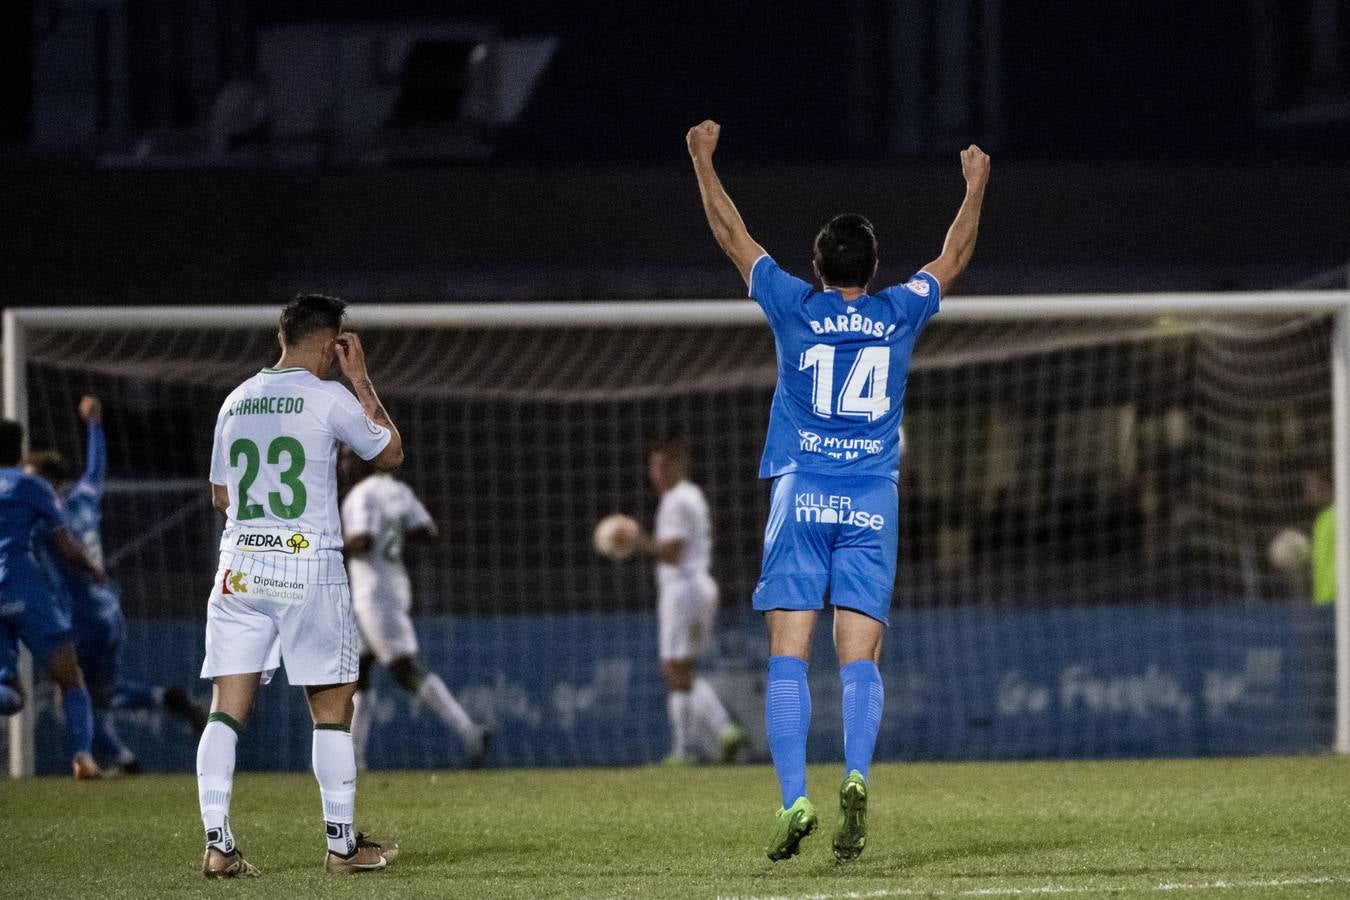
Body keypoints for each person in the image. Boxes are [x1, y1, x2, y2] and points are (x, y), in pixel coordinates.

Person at [686, 119, 989, 861]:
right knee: (861, 659)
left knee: (788, 653)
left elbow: (732, 235)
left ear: (816, 264)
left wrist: (700, 159)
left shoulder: (793, 304)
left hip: (802, 494)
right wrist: (976, 184)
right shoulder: (898, 312)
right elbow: (953, 256)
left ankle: (795, 799)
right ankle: (855, 775)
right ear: (876, 266)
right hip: (871, 501)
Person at [196, 294, 404, 878]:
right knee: (334, 709)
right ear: (330, 343)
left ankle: (219, 845)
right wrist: (361, 381)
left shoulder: (235, 400)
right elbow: (390, 451)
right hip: (306, 562)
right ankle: (343, 847)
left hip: (239, 565)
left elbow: (220, 496)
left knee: (226, 713)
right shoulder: (329, 395)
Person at [25, 395, 207, 774]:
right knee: (99, 695)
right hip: (110, 610)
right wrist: (95, 425)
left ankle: (125, 757)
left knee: (73, 695)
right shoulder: (86, 501)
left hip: (80, 616)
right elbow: (97, 469)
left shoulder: (44, 521)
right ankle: (157, 708)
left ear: (44, 484)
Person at [340, 449, 489, 770]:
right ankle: (354, 758)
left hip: (374, 594)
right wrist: (395, 530)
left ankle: (468, 732)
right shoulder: (398, 490)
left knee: (402, 667)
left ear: (362, 461)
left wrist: (332, 546)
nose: (342, 464)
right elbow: (428, 532)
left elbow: (363, 540)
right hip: (388, 586)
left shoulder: (361, 495)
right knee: (359, 671)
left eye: (347, 458)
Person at [621, 439, 745, 765]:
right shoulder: (695, 496)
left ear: (680, 466)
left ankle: (693, 745)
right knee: (682, 668)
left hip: (683, 590)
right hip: (700, 587)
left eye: (662, 466)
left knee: (674, 668)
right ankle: (719, 734)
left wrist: (636, 543)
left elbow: (673, 551)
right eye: (653, 466)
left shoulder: (676, 501)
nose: (656, 473)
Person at [0, 419, 107, 779]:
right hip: (24, 587)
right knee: (70, 677)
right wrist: (92, 569)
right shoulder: (32, 485)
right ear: (19, 450)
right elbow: (64, 545)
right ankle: (83, 758)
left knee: (10, 694)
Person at [1303, 468, 1336, 605]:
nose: (1308, 491)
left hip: (1340, 598)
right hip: (1323, 600)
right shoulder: (1321, 519)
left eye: (1313, 486)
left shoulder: (1341, 515)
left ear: (1328, 486)